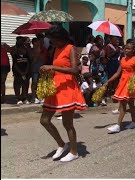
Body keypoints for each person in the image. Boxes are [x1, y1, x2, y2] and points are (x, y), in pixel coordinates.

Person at [39, 25, 86, 162]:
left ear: (61, 38)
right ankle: (61, 144)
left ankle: (74, 151)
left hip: (67, 88)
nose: (51, 43)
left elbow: (75, 70)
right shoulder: (56, 49)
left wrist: (52, 67)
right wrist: (49, 71)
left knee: (67, 123)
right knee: (44, 120)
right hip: (55, 86)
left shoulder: (71, 48)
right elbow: (59, 68)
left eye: (53, 40)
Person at [103, 42, 135, 133]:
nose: (126, 50)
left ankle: (118, 125)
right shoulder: (123, 59)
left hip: (131, 83)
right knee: (131, 104)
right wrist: (108, 81)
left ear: (133, 50)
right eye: (125, 48)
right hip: (123, 82)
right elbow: (117, 73)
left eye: (128, 49)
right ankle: (133, 122)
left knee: (124, 104)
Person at [11, 36, 31, 105]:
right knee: (17, 84)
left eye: (22, 40)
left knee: (25, 84)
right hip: (17, 70)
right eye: (19, 40)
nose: (20, 42)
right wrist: (20, 72)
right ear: (16, 41)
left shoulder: (26, 49)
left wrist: (26, 71)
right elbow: (15, 63)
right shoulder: (14, 49)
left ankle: (24, 98)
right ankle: (18, 98)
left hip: (25, 69)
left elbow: (28, 61)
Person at [30, 38, 43, 104]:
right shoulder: (31, 50)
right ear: (33, 43)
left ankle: (39, 96)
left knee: (40, 83)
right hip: (34, 69)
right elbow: (32, 61)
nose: (38, 43)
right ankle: (33, 97)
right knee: (34, 82)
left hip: (40, 68)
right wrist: (36, 55)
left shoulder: (42, 50)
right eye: (36, 42)